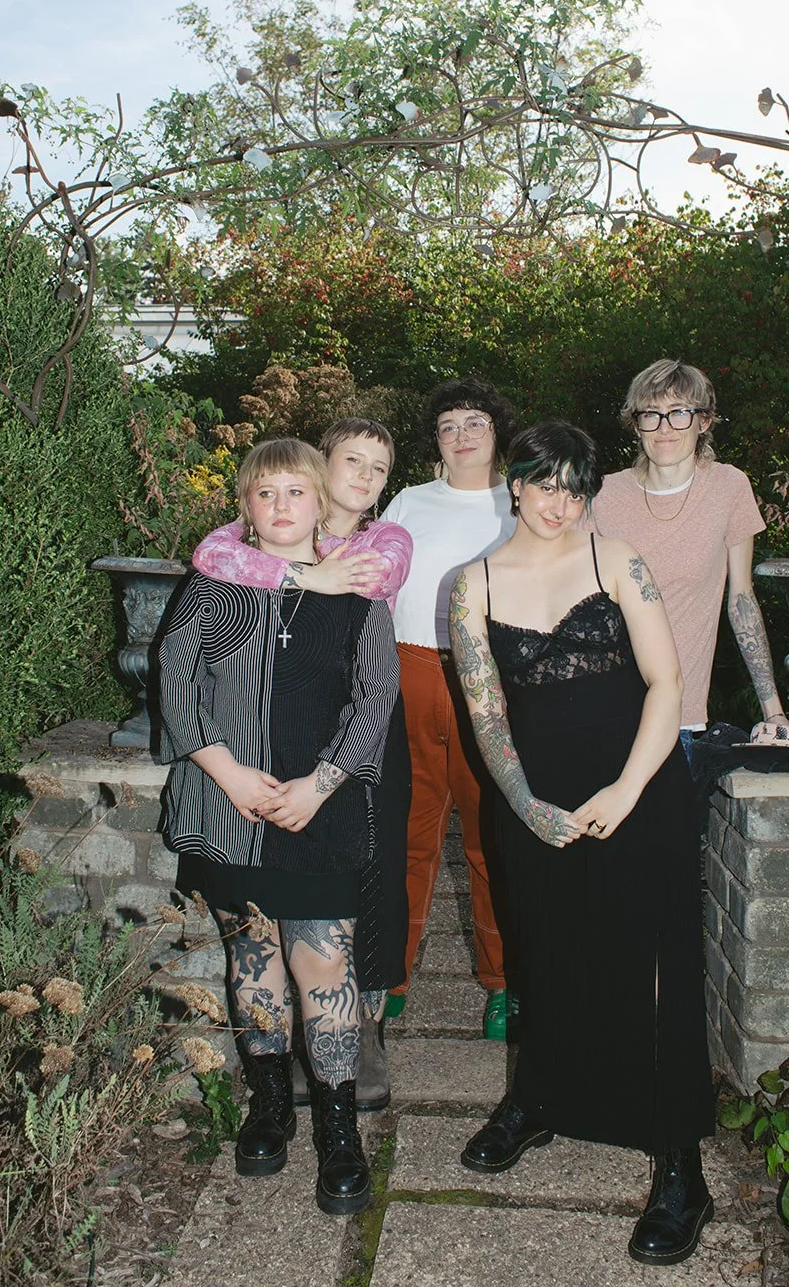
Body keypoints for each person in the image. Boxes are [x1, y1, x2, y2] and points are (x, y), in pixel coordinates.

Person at [449, 422, 716, 1266]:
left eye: (574, 486)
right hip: (533, 801)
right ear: (514, 487)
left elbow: (666, 682)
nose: (558, 502)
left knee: (656, 965)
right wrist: (523, 802)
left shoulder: (616, 562)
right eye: (543, 484)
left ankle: (681, 1165)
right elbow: (484, 711)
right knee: (546, 956)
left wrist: (626, 790)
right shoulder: (471, 584)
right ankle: (539, 1100)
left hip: (637, 786)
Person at [156, 437, 399, 1215]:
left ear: (319, 503)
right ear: (245, 507)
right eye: (266, 495)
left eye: (296, 492)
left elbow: (374, 701)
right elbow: (174, 677)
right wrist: (225, 772)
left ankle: (338, 1130)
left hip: (317, 813)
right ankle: (267, 1107)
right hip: (229, 813)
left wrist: (321, 784)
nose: (282, 507)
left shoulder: (358, 593)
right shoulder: (210, 589)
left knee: (323, 965)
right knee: (253, 957)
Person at [191, 418, 413, 1111]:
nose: (365, 478)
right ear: (323, 465)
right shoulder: (264, 527)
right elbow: (208, 558)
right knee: (259, 930)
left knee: (366, 884)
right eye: (353, 461)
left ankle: (361, 1035)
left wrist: (305, 571)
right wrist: (299, 569)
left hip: (356, 724)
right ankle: (278, 1065)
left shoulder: (382, 540)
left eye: (379, 468)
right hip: (266, 741)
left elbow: (376, 586)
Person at [379, 377, 517, 1039]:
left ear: (496, 432)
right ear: (435, 441)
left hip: (484, 683)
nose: (461, 435)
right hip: (409, 674)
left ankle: (502, 983)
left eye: (474, 423)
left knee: (492, 840)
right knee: (408, 838)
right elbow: (377, 584)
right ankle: (391, 978)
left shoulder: (519, 502)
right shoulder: (408, 501)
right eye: (448, 426)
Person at [593, 359, 789, 762]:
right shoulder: (602, 495)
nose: (664, 428)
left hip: (676, 718)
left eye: (679, 413)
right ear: (636, 424)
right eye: (651, 414)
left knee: (672, 826)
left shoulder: (729, 488)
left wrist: (775, 711)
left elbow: (741, 600)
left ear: (704, 421)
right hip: (600, 709)